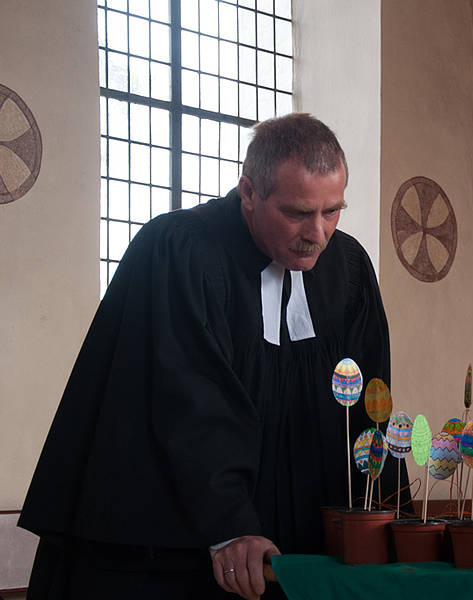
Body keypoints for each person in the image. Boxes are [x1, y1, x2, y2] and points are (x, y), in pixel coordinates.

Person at [19, 113, 405, 599]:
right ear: (248, 192)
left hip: (308, 542)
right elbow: (191, 397)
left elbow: (371, 403)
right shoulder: (180, 249)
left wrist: (386, 519)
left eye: (332, 211)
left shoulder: (348, 268)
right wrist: (231, 524)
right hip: (184, 544)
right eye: (297, 213)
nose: (318, 234)